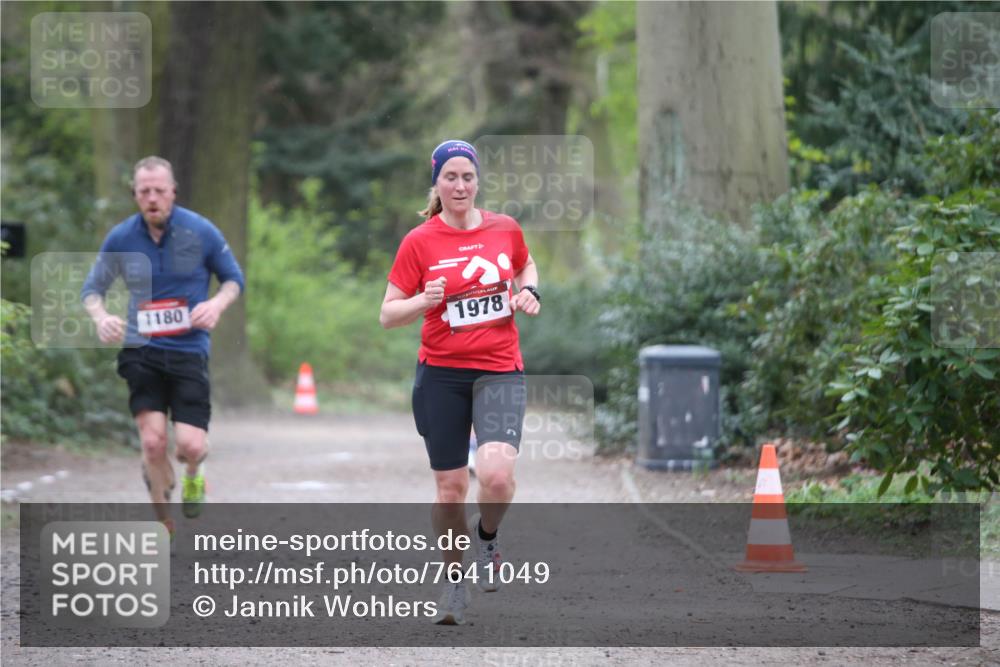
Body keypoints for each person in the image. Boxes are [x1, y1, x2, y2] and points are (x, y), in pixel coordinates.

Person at [380, 140, 541, 625]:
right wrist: (423, 303)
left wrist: (529, 289)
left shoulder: (504, 228)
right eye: (450, 177)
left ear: (477, 181)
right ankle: (454, 582)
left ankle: (487, 537)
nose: (460, 185)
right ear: (437, 183)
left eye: (467, 177)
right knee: (449, 490)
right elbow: (388, 315)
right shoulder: (419, 241)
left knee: (495, 475)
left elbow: (525, 265)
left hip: (498, 368)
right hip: (442, 375)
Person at [82, 156, 245, 534]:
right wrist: (101, 317)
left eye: (159, 190)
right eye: (144, 191)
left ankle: (193, 472)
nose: (152, 197)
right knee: (153, 443)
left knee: (190, 445)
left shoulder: (200, 231)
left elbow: (233, 280)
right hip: (142, 352)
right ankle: (163, 523)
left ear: (173, 191)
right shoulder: (122, 237)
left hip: (189, 350)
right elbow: (93, 290)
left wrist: (215, 304)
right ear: (135, 195)